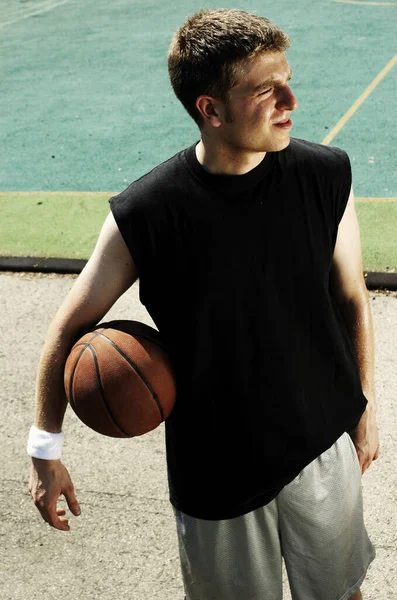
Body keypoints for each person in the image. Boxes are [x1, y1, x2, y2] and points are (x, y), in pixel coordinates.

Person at [28, 8, 380, 600]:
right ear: (209, 109)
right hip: (216, 470)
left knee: (341, 592)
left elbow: (352, 299)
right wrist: (45, 452)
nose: (290, 99)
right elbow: (68, 329)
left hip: (320, 443)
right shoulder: (146, 214)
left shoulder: (326, 175)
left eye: (288, 79)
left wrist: (364, 407)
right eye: (266, 90)